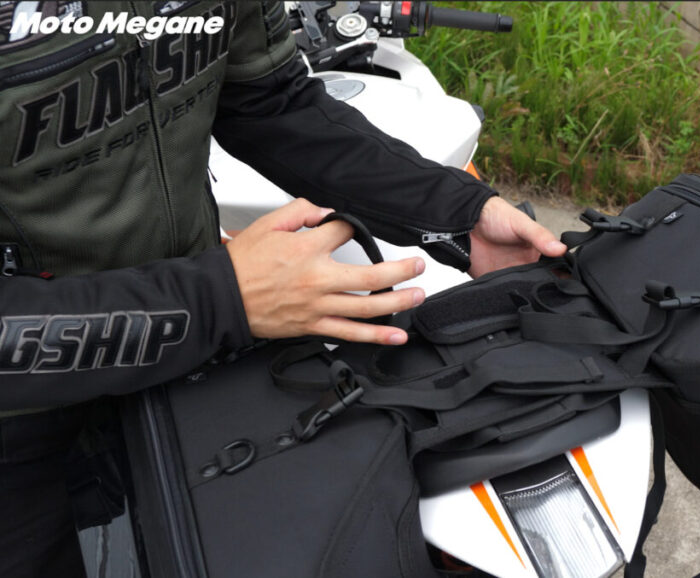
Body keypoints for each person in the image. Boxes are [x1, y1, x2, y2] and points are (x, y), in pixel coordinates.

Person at [0, 2, 566, 576]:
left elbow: (270, 100)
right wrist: (220, 298)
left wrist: (458, 212)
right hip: (26, 423)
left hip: (198, 369)